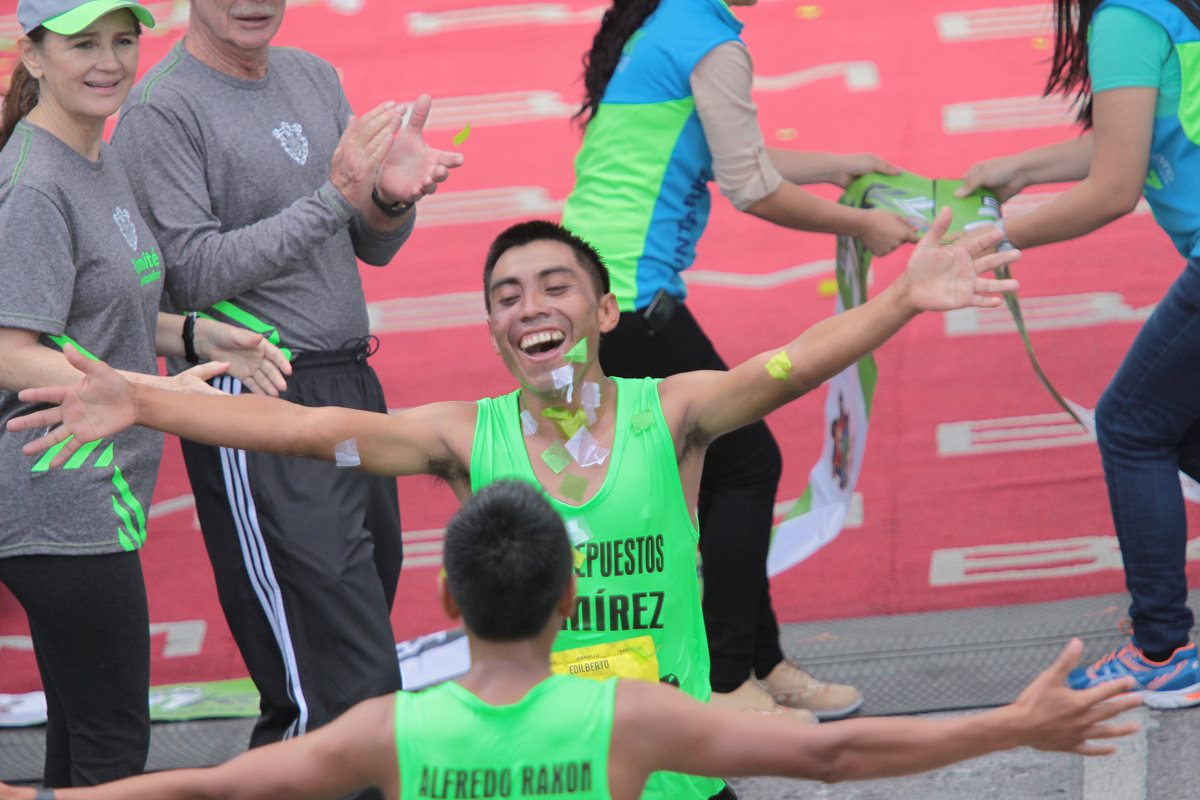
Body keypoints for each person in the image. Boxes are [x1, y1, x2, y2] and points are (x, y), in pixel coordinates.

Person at [12, 209, 1016, 798]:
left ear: (604, 309)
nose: (532, 306)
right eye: (507, 295)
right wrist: (141, 397)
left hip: (676, 771)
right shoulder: (465, 436)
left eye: (555, 286)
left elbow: (785, 366)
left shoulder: (672, 414)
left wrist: (903, 299)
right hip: (540, 774)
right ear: (493, 328)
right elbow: (313, 433)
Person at [0, 481, 1143, 800]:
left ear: (443, 606)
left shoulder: (386, 733)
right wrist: (1015, 723)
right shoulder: (629, 717)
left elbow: (218, 791)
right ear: (567, 602)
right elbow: (835, 755)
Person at [105, 0, 465, 761]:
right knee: (324, 675)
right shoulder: (160, 110)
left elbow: (368, 245)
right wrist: (335, 197)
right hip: (253, 395)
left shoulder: (312, 75)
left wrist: (389, 199)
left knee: (359, 633)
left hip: (351, 384)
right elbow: (190, 273)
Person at [561, 0, 919, 720]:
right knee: (745, 465)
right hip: (626, 301)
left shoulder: (668, 24)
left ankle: (759, 664)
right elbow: (752, 187)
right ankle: (730, 684)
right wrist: (863, 224)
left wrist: (837, 167)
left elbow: (731, 154)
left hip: (598, 296)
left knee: (729, 467)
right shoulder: (706, 42)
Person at [0, 0, 292, 787]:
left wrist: (197, 336)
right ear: (32, 58)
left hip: (90, 488)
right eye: (83, 44)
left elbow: (95, 312)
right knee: (113, 750)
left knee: (83, 740)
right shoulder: (33, 187)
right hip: (56, 494)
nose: (109, 61)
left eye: (123, 40)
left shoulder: (100, 154)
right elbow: (10, 351)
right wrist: (147, 394)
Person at [955, 0, 1200, 707]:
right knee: (1178, 428)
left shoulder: (1126, 15)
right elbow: (1142, 135)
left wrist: (991, 243)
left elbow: (1115, 188)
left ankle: (1162, 650)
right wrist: (1023, 169)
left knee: (1131, 425)